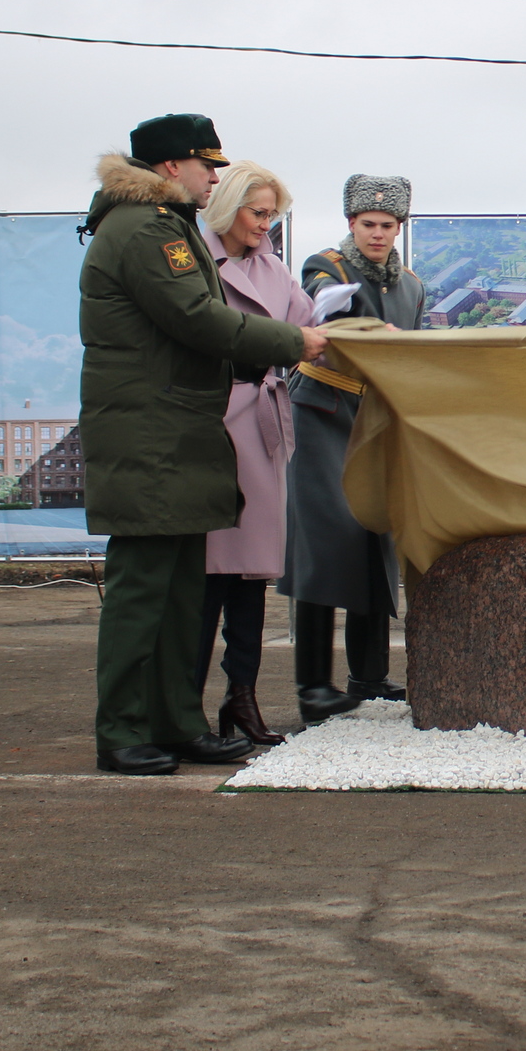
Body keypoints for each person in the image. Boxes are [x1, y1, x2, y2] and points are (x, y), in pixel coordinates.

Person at [79, 114, 330, 775]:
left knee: (181, 595)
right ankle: (123, 729)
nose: (213, 177)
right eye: (205, 165)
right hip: (151, 434)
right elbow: (196, 318)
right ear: (170, 168)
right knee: (142, 595)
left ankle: (177, 721)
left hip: (179, 432)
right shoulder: (142, 230)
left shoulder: (166, 227)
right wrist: (289, 343)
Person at [282, 174, 427, 719]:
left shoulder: (411, 284)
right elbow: (328, 315)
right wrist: (373, 332)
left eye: (388, 226)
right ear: (351, 224)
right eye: (368, 224)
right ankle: (312, 685)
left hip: (375, 418)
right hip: (321, 412)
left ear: (399, 227)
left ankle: (369, 675)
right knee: (322, 543)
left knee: (375, 539)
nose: (378, 234)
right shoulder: (326, 267)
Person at [193, 161, 314, 746]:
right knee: (208, 577)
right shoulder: (194, 261)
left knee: (251, 576)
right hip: (214, 425)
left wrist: (365, 336)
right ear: (228, 207)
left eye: (273, 214)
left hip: (263, 426)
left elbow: (312, 333)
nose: (267, 224)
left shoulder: (273, 269)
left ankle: (241, 699)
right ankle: (186, 705)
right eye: (258, 212)